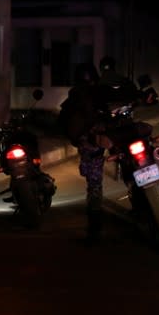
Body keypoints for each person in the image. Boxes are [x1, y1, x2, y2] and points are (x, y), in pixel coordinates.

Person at [59, 62, 109, 244]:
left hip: (90, 145)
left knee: (94, 186)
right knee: (95, 186)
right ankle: (95, 228)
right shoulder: (100, 93)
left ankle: (95, 229)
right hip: (99, 141)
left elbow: (64, 123)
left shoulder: (74, 96)